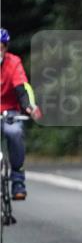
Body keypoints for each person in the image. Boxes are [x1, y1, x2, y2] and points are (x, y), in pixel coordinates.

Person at [0, 28, 43, 200]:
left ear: (5, 47)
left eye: (0, 47)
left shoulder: (13, 63)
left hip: (10, 111)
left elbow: (22, 88)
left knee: (15, 132)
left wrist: (30, 107)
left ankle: (18, 180)